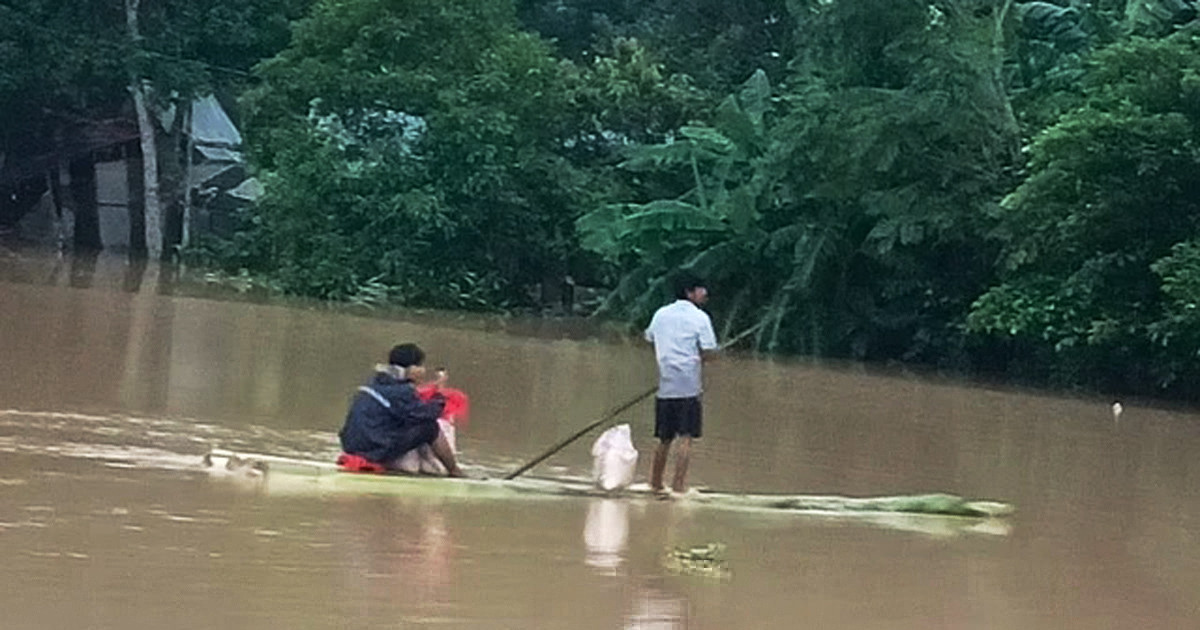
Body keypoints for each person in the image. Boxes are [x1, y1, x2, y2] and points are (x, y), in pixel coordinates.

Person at [338, 343, 464, 477]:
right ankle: (454, 471)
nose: (423, 370)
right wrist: (439, 393)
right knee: (430, 427)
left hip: (351, 447)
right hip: (373, 451)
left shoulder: (374, 382)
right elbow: (429, 414)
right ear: (412, 369)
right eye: (420, 366)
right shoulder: (402, 391)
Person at [644, 274, 718, 493]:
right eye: (701, 289)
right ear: (689, 292)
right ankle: (678, 487)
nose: (705, 293)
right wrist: (712, 357)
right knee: (685, 437)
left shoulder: (660, 314)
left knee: (664, 438)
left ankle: (655, 484)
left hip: (666, 384)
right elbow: (709, 351)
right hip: (688, 386)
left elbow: (648, 339)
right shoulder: (700, 318)